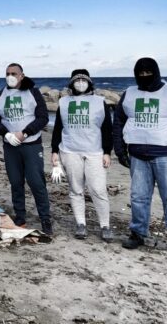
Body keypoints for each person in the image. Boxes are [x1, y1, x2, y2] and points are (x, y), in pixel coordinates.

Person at [113, 57, 167, 260]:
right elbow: (118, 122)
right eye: (140, 73)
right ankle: (138, 234)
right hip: (137, 156)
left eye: (148, 72)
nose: (144, 76)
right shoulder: (129, 93)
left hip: (166, 157)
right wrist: (120, 150)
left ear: (156, 72)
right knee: (138, 198)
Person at [51, 69, 114, 241]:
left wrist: (108, 152)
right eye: (76, 80)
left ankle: (105, 225)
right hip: (70, 151)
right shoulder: (64, 102)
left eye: (83, 79)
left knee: (98, 189)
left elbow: (108, 129)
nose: (80, 82)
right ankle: (81, 224)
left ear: (89, 82)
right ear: (71, 83)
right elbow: (57, 128)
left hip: (95, 152)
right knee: (75, 189)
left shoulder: (100, 102)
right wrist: (54, 151)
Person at [0, 63, 53, 234]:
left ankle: (45, 218)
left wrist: (25, 133)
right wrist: (6, 134)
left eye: (14, 73)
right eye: (7, 73)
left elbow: (43, 118)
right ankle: (20, 216)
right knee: (16, 182)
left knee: (36, 182)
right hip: (10, 146)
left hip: (31, 145)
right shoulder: (0, 94)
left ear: (22, 75)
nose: (10, 76)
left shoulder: (32, 92)